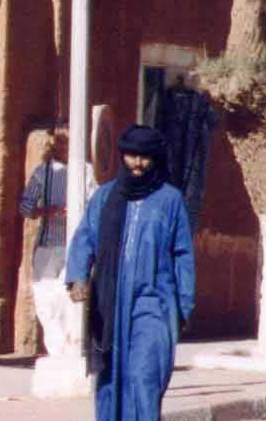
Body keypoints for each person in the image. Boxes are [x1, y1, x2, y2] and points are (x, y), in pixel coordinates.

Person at [66, 125, 195, 421]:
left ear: (155, 159)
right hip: (109, 305)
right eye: (131, 156)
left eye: (145, 157)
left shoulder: (170, 200)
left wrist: (184, 305)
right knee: (111, 379)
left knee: (144, 376)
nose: (137, 163)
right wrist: (78, 277)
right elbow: (85, 238)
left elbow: (183, 254)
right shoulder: (105, 196)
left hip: (154, 303)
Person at [18, 122, 75, 359]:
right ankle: (56, 349)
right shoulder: (43, 172)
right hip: (46, 245)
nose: (64, 146)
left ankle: (66, 350)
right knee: (44, 300)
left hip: (72, 246)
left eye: (68, 141)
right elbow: (25, 207)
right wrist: (47, 211)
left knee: (65, 298)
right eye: (60, 140)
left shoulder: (85, 172)